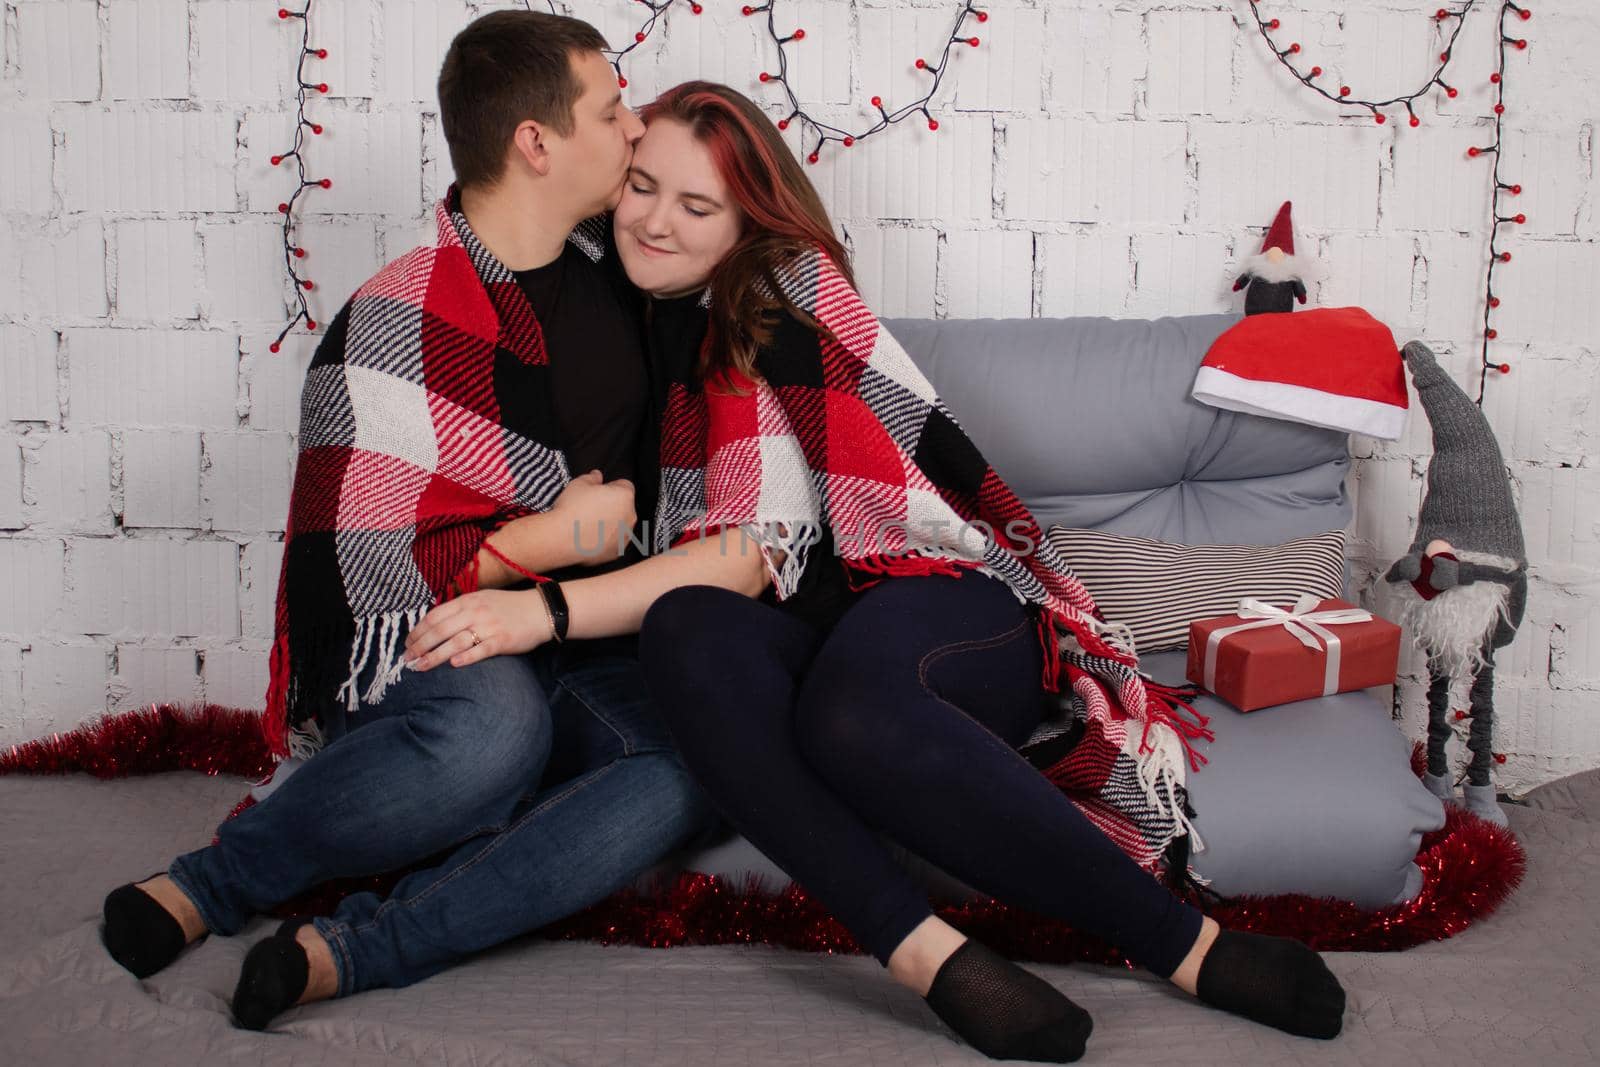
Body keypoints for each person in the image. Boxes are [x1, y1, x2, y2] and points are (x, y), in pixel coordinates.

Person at [401, 82, 1348, 1062]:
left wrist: (541, 613)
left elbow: (751, 547)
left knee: (846, 712)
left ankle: (1184, 944)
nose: (653, 220)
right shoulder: (613, 318)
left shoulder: (770, 298)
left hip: (939, 599)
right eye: (640, 186)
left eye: (696, 206)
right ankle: (930, 953)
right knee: (685, 624)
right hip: (811, 629)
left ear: (745, 223)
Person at [98, 10, 714, 1030]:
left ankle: (367, 942)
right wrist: (529, 546)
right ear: (536, 142)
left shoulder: (638, 272)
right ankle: (216, 881)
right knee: (492, 731)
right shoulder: (392, 317)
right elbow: (361, 582)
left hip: (598, 635)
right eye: (611, 110)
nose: (635, 128)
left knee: (697, 756)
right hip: (449, 651)